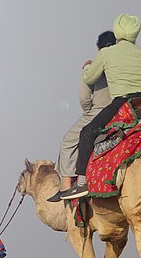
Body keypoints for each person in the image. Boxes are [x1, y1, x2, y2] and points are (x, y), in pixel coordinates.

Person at [55, 13, 141, 200]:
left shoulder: (106, 55)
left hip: (118, 104)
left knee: (83, 134)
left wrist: (86, 68)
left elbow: (87, 84)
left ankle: (77, 184)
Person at [49, 31, 116, 202]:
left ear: (98, 47)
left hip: (100, 110)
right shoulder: (124, 62)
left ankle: (67, 186)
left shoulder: (93, 67)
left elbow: (83, 97)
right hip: (128, 109)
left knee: (67, 141)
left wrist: (89, 111)